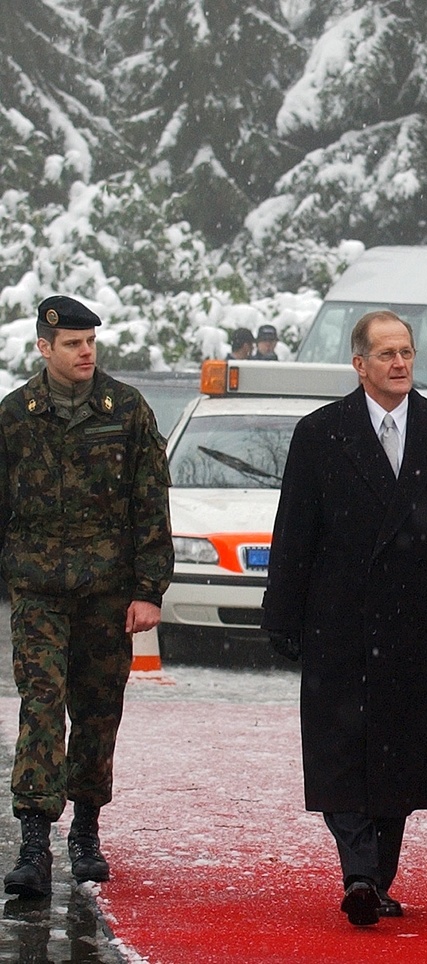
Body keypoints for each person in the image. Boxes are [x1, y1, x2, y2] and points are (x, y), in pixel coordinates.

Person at [261, 309, 427, 927]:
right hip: (341, 623)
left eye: (407, 351)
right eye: (386, 354)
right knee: (341, 754)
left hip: (419, 627)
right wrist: (283, 613)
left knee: (401, 759)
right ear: (359, 365)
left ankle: (375, 875)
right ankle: (358, 870)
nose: (400, 363)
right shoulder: (320, 433)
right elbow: (295, 531)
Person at [1, 295, 173, 898]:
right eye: (72, 343)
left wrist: (149, 590)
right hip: (39, 590)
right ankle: (32, 842)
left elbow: (151, 502)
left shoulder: (125, 409)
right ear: (44, 348)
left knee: (98, 711)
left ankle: (87, 830)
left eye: (90, 342)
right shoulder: (15, 415)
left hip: (106, 591)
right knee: (42, 705)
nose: (85, 352)